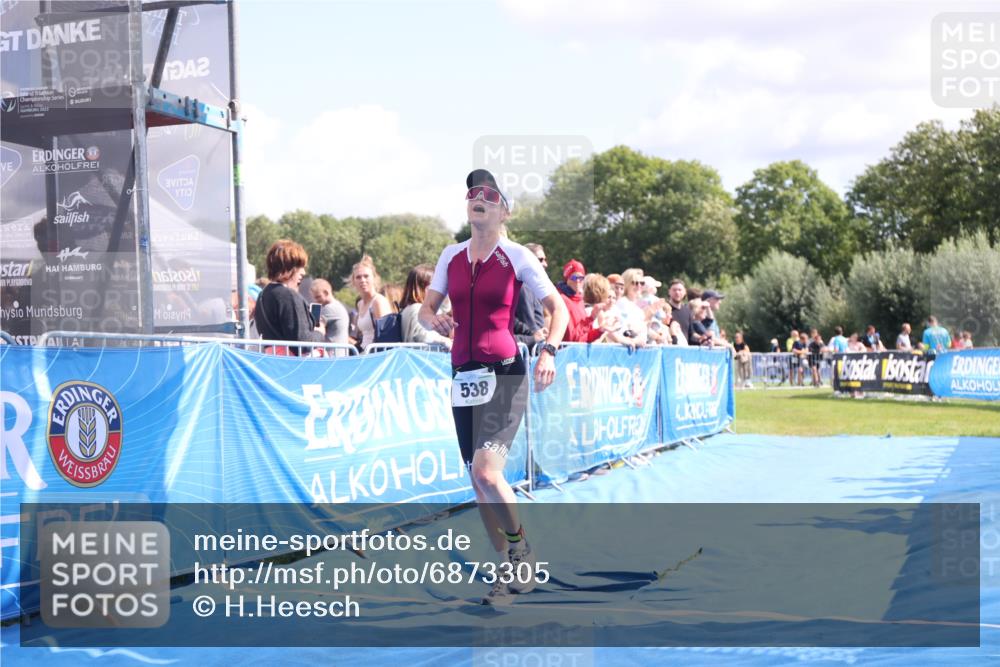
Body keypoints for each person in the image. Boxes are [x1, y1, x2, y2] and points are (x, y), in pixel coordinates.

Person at [419, 169, 568, 606]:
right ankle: (508, 569)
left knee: (488, 472)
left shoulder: (518, 255)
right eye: (471, 193)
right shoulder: (451, 255)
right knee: (477, 481)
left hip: (504, 372)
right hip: (463, 376)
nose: (476, 198)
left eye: (487, 194)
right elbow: (427, 310)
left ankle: (522, 551)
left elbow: (557, 310)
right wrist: (435, 319)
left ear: (504, 210)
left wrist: (550, 352)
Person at [254, 239, 325, 352]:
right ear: (286, 267)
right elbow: (303, 344)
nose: (303, 272)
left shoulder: (263, 295)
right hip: (292, 365)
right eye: (299, 267)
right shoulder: (287, 296)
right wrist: (319, 333)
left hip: (273, 363)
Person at [400, 264, 452, 349]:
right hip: (421, 359)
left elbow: (445, 309)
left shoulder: (410, 308)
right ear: (425, 287)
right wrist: (446, 341)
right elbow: (424, 335)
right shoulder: (417, 308)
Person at [352, 255, 393, 351]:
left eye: (366, 276)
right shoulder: (360, 303)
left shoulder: (378, 301)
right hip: (363, 352)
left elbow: (386, 335)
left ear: (374, 278)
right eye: (358, 277)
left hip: (377, 354)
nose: (362, 280)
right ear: (353, 281)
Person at [557, 259, 604, 343]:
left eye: (581, 278)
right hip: (565, 353)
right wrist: (592, 317)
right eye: (574, 277)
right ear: (567, 279)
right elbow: (572, 338)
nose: (578, 281)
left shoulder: (579, 300)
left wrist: (601, 330)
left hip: (578, 351)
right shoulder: (562, 299)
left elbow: (584, 337)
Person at [513, 243, 548, 353]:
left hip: (530, 349)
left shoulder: (532, 287)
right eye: (541, 259)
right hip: (528, 352)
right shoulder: (524, 287)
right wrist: (537, 335)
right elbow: (528, 323)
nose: (545, 264)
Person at [309, 278, 350, 345]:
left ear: (326, 292)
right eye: (314, 298)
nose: (316, 301)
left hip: (332, 353)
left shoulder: (329, 309)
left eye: (318, 297)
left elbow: (315, 329)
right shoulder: (338, 306)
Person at [616, 269, 649, 345]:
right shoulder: (622, 303)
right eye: (635, 283)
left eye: (642, 283)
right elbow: (624, 329)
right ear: (626, 284)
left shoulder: (638, 309)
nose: (639, 286)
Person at [666, 279, 692, 343]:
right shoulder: (664, 309)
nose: (677, 292)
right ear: (669, 292)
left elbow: (691, 334)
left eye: (680, 290)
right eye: (674, 290)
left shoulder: (687, 311)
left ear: (685, 292)